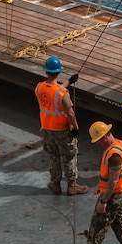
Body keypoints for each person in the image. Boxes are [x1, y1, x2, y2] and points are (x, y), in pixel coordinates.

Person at [69, 122, 122, 244]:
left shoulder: (114, 155)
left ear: (104, 136)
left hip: (114, 195)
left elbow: (113, 181)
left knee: (98, 225)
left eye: (98, 140)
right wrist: (101, 184)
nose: (98, 143)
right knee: (118, 222)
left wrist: (104, 201)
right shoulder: (118, 144)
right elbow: (112, 176)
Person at [36, 56, 87, 195]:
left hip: (47, 129)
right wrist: (76, 127)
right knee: (69, 156)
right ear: (58, 72)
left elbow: (53, 90)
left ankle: (55, 184)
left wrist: (69, 82)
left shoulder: (39, 88)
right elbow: (70, 113)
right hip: (62, 130)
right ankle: (72, 186)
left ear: (46, 72)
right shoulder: (63, 94)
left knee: (54, 156)